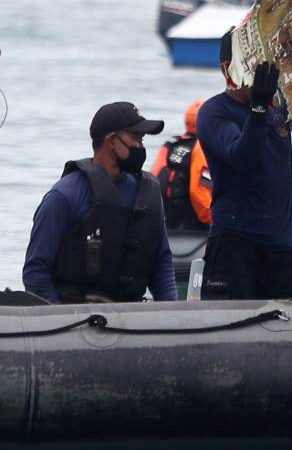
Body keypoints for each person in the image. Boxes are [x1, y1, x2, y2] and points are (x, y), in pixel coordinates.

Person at [23, 101, 177, 303]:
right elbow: (36, 272)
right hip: (74, 318)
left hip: (131, 318)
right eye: (135, 138)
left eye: (142, 140)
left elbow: (162, 266)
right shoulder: (64, 195)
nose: (141, 147)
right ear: (112, 141)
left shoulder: (149, 192)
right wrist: (64, 321)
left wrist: (171, 315)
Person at [196, 34, 292, 299]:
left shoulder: (279, 107)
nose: (256, 72)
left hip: (281, 245)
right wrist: (257, 110)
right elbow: (243, 158)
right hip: (235, 243)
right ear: (225, 68)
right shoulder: (214, 112)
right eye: (247, 64)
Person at [150, 97, 211, 230]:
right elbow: (199, 193)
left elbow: (153, 178)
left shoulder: (171, 144)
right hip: (193, 226)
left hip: (168, 221)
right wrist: (214, 221)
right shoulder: (203, 147)